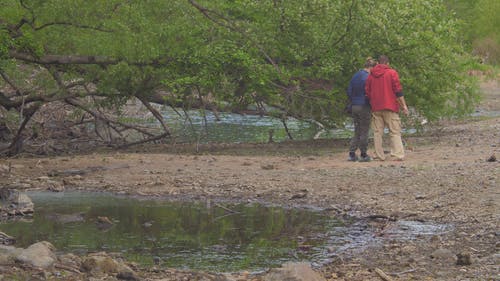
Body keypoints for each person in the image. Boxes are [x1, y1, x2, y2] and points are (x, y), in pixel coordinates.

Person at [365, 55, 409, 161]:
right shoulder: (392, 73)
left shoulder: (371, 75)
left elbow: (367, 92)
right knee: (394, 131)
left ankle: (379, 155)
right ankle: (397, 154)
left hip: (376, 108)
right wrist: (404, 106)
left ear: (378, 63)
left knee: (377, 132)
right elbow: (398, 91)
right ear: (387, 63)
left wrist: (373, 102)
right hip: (390, 106)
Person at [346, 57, 377, 162]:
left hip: (354, 105)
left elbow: (349, 91)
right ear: (371, 67)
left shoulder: (355, 76)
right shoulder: (368, 77)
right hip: (364, 105)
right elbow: (370, 93)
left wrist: (353, 100)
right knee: (364, 130)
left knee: (357, 130)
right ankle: (363, 154)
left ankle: (352, 153)